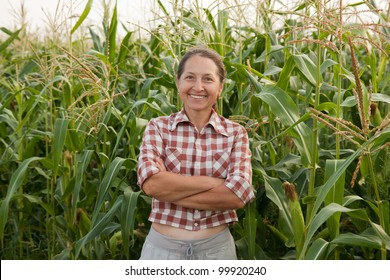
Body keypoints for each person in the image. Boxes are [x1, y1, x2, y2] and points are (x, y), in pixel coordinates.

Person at [137, 46, 255, 260]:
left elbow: (238, 195)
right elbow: (152, 184)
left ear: (220, 87)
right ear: (178, 82)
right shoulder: (158, 127)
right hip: (162, 253)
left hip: (217, 252)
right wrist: (214, 183)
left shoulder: (236, 134)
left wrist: (169, 190)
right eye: (190, 77)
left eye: (208, 79)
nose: (198, 87)